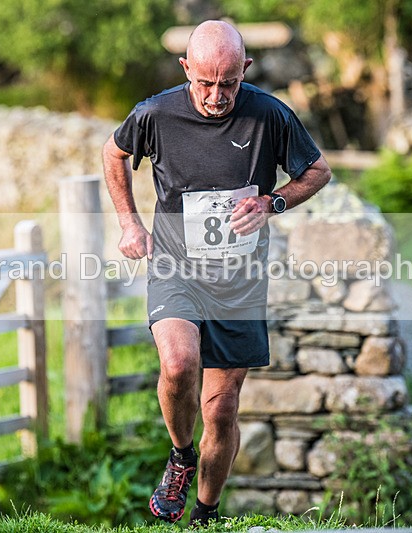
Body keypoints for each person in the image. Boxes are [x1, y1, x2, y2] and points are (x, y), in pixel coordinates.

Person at [102, 20, 331, 526]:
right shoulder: (156, 114)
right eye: (204, 82)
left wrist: (272, 202)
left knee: (222, 408)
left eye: (228, 83)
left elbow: (317, 172)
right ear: (186, 69)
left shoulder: (269, 114)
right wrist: (129, 222)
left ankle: (206, 514)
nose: (215, 95)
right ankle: (181, 457)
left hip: (240, 281)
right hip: (175, 268)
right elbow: (114, 153)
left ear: (244, 70)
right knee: (180, 364)